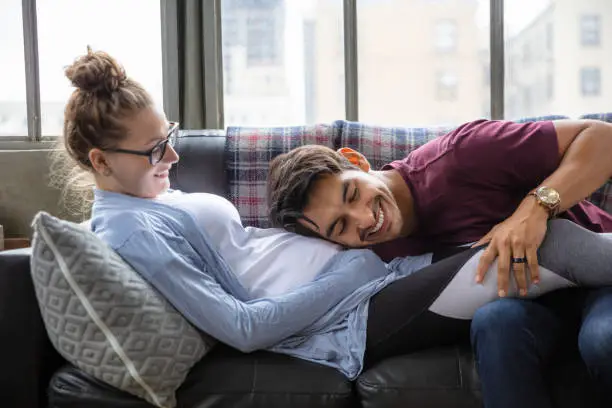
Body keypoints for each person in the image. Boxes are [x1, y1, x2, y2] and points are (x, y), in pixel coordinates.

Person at [54, 49, 612, 405]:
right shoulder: (130, 232)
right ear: (102, 161)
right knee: (550, 250)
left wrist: (357, 260)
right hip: (350, 310)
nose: (173, 154)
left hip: (372, 288)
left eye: (169, 134)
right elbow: (243, 325)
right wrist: (356, 266)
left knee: (543, 249)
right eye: (154, 148)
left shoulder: (151, 200)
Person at [267, 120, 612, 406]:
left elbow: (602, 137)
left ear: (356, 161)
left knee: (602, 339)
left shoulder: (461, 156)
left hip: (595, 274)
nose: (364, 218)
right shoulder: (368, 260)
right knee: (495, 324)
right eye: (341, 226)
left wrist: (535, 208)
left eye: (353, 193)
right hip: (531, 305)